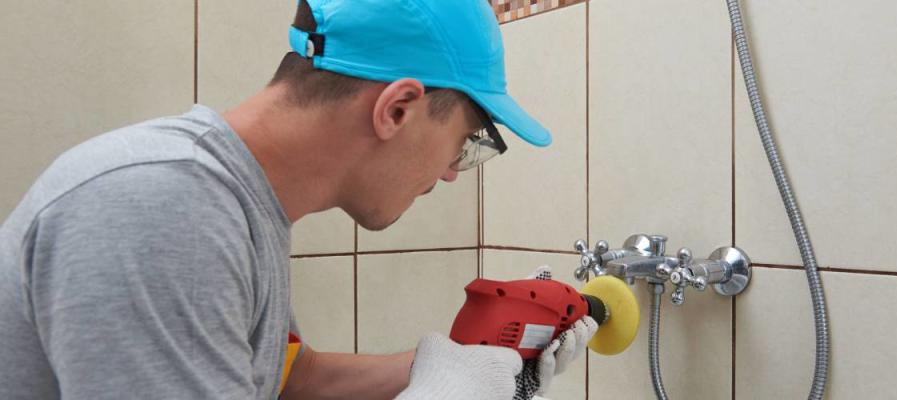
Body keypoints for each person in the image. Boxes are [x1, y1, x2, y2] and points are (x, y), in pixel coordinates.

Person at [0, 1, 595, 399]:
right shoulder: (160, 207)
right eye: (464, 144)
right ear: (397, 109)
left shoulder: (235, 201)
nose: (451, 175)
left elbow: (286, 375)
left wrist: (467, 366)